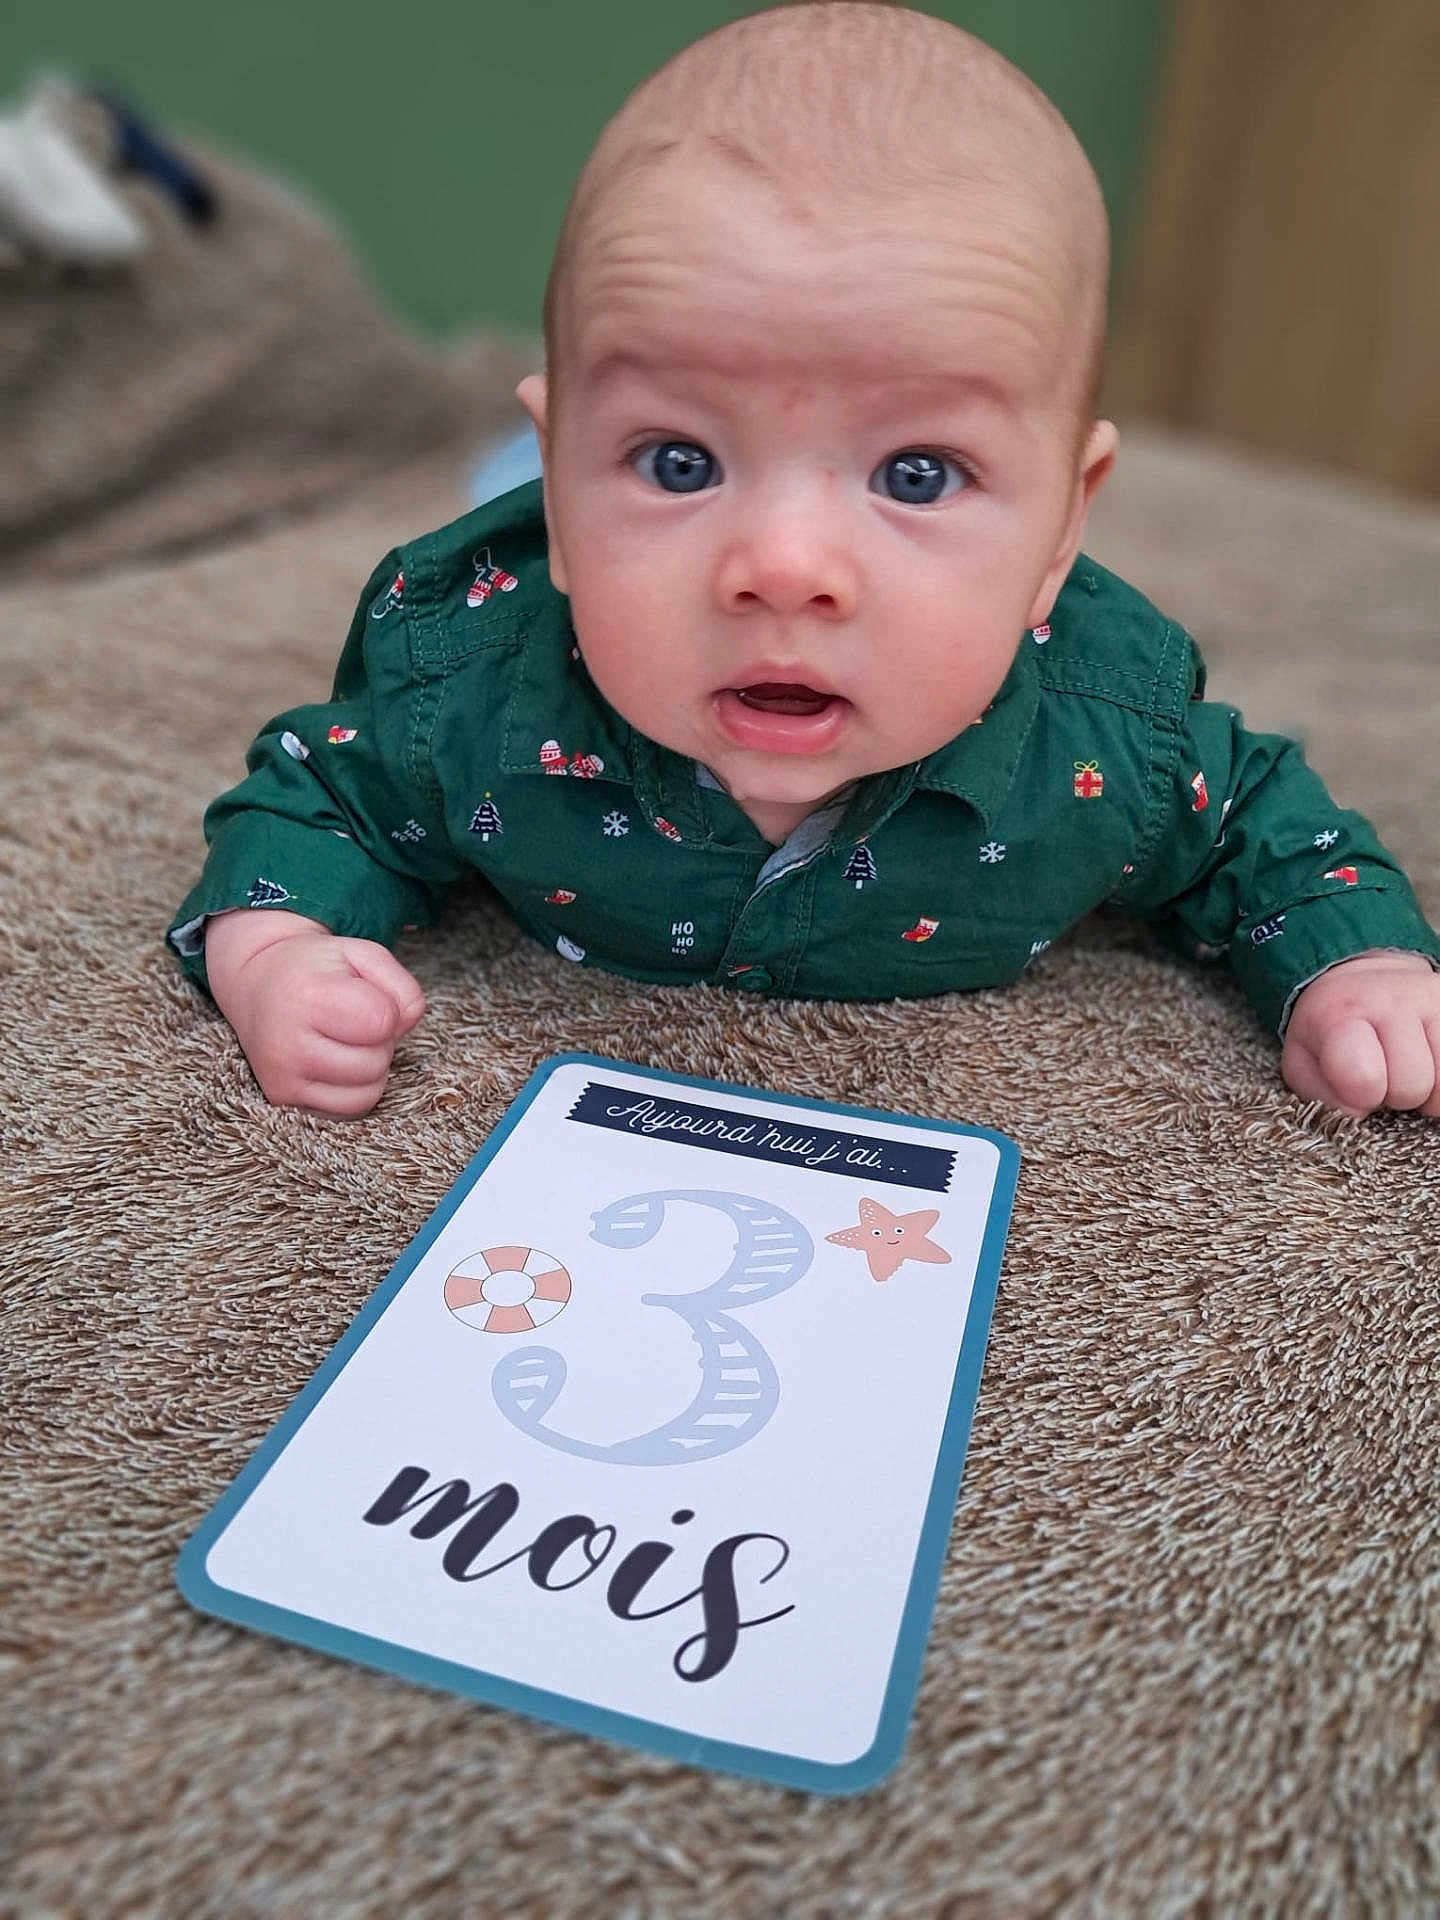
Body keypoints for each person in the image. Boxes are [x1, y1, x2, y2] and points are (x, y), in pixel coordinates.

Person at [168, 0, 1440, 1121]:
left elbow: (1272, 834)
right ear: (555, 490)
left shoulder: (1110, 744)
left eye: (916, 475)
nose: (783, 566)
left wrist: (1355, 967)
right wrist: (276, 949)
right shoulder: (473, 687)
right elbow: (316, 794)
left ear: (1062, 527)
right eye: (677, 462)